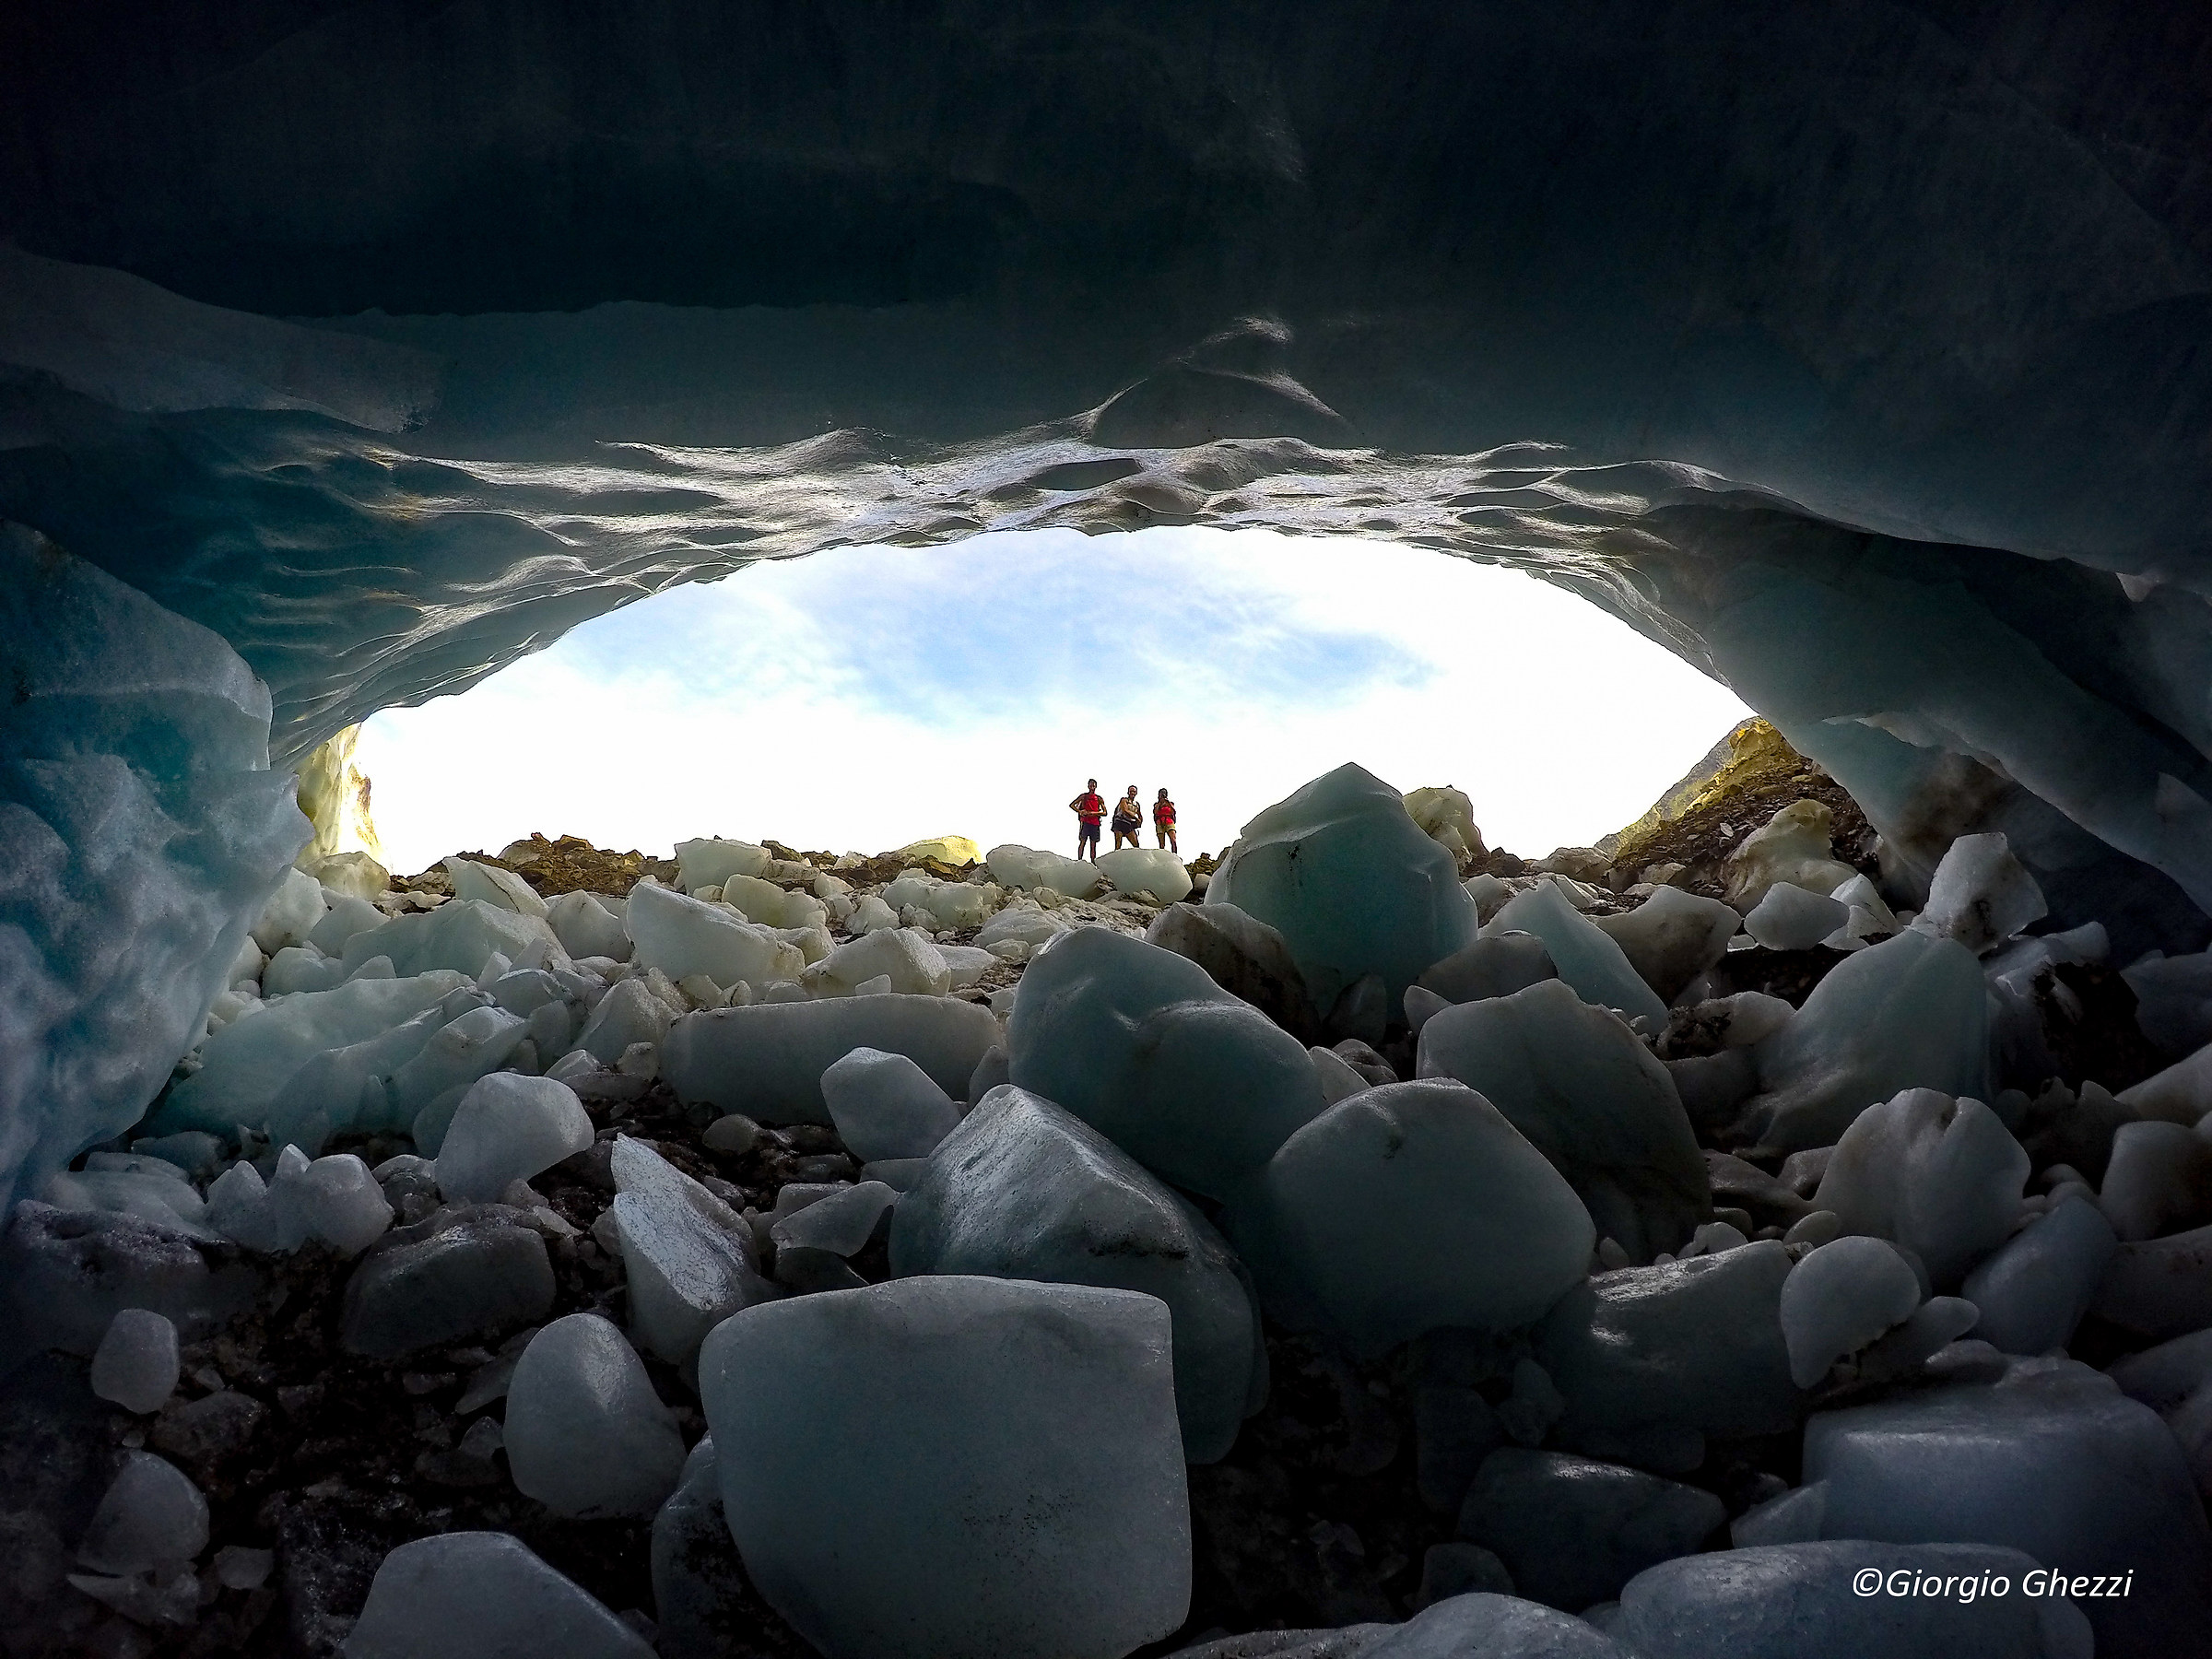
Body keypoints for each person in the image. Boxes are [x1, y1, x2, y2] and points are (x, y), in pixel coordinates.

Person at [1070, 778, 1105, 860]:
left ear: (1096, 786)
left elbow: (1105, 812)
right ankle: (1079, 860)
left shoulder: (1099, 798)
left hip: (1095, 823)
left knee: (1093, 844)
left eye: (1093, 786)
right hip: (1085, 822)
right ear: (1088, 786)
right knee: (1083, 842)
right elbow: (1072, 805)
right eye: (1091, 786)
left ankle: (1093, 861)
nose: (1092, 787)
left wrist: (1094, 813)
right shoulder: (1084, 796)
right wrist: (1080, 811)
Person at [1111, 784, 1144, 850]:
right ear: (1128, 792)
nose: (1132, 793)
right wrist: (1136, 818)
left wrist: (1140, 822)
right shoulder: (1124, 800)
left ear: (1136, 793)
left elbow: (1140, 814)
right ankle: (1117, 854)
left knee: (1136, 844)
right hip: (1120, 822)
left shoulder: (1136, 804)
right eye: (1131, 791)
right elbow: (1125, 810)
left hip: (1128, 823)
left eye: (1134, 791)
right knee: (1118, 843)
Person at [1152, 787, 1178, 853]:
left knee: (1173, 840)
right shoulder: (1156, 804)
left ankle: (1175, 854)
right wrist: (1160, 802)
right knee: (1161, 843)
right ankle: (1162, 854)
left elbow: (1173, 811)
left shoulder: (1170, 803)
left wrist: (1167, 802)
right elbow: (1155, 812)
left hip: (1169, 821)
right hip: (1160, 822)